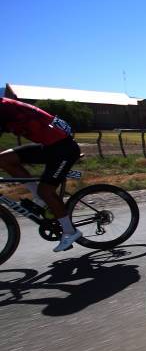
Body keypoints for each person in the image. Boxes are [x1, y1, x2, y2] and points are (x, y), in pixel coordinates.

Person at [0, 97, 82, 251]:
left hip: (63, 149)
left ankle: (70, 232)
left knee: (46, 191)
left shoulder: (4, 108)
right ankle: (39, 197)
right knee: (4, 160)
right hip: (50, 146)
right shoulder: (5, 105)